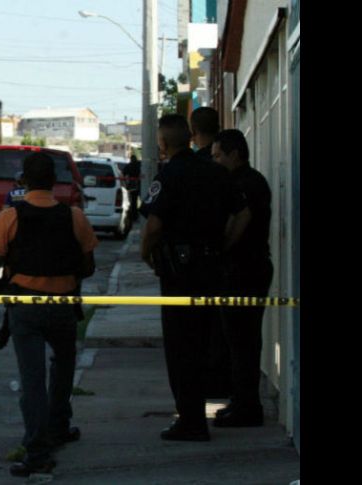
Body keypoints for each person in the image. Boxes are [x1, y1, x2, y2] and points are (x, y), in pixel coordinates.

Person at [0, 151, 98, 477]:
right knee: (63, 368)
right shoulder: (74, 216)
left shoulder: (10, 217)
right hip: (62, 305)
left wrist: (8, 298)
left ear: (23, 181)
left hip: (26, 308)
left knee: (32, 381)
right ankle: (59, 426)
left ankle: (37, 453)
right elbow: (88, 265)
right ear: (55, 182)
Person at [139, 114, 250, 441]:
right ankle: (195, 415)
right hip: (212, 267)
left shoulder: (170, 174)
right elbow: (243, 214)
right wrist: (224, 245)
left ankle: (191, 421)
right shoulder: (216, 172)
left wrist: (146, 254)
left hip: (179, 273)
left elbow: (154, 225)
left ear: (162, 143)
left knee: (181, 347)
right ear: (189, 138)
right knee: (206, 342)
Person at [211, 129, 273, 428]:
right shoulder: (245, 180)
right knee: (237, 342)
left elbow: (241, 220)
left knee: (242, 342)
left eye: (218, 155)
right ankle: (241, 401)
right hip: (244, 269)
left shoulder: (246, 183)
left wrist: (221, 247)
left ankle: (247, 407)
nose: (215, 161)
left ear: (235, 154)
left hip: (245, 269)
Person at [190, 106, 231, 399]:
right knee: (223, 328)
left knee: (201, 330)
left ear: (194, 132)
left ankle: (211, 382)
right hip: (221, 256)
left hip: (201, 258)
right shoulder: (225, 169)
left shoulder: (194, 167)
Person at [121, 154, 142, 221]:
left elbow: (123, 174)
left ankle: (133, 216)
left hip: (132, 185)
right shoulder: (139, 165)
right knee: (136, 200)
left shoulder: (129, 166)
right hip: (140, 184)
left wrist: (126, 183)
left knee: (132, 201)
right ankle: (136, 215)